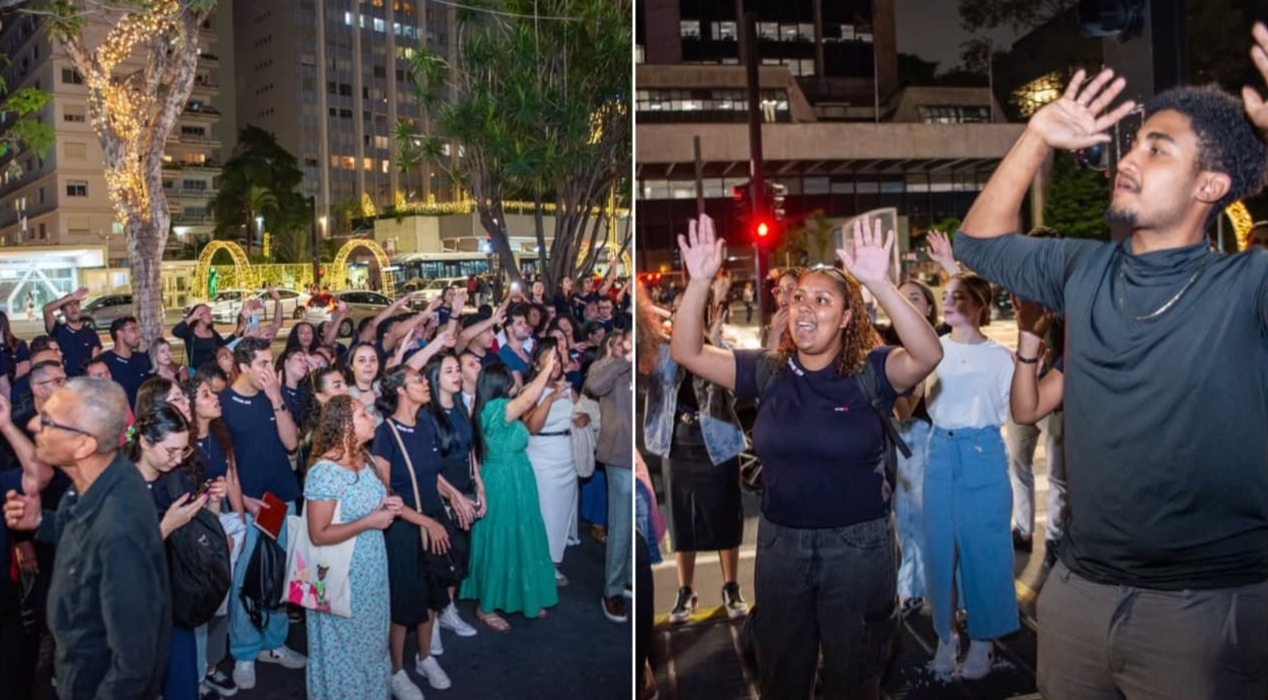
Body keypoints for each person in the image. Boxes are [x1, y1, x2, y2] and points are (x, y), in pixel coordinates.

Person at [952, 51, 1268, 698]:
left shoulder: (1247, 285)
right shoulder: (1082, 268)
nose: (1128, 158)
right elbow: (977, 243)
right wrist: (1036, 136)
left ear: (1209, 186)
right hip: (1077, 594)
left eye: (1157, 149)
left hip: (1204, 609)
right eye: (1134, 142)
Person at [671, 214, 942, 699]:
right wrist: (698, 282)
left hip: (858, 549)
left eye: (823, 300)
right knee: (782, 676)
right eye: (799, 297)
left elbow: (927, 355)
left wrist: (878, 283)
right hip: (781, 547)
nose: (806, 308)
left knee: (853, 679)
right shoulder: (768, 370)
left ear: (847, 317)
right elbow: (688, 352)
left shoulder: (872, 370)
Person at [3, 378, 171, 698]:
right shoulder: (90, 483)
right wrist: (39, 521)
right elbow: (81, 536)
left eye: (49, 421)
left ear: (84, 445)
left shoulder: (121, 528)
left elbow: (134, 664)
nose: (34, 424)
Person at [921, 272, 1017, 678]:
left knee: (986, 549)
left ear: (980, 305)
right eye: (945, 295)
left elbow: (1016, 407)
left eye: (959, 296)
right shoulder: (932, 348)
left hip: (983, 450)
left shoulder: (1000, 357)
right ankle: (946, 636)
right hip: (939, 449)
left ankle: (983, 640)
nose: (948, 302)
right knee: (940, 550)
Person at [644, 277, 748, 625]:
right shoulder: (661, 351)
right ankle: (685, 590)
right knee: (682, 520)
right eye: (677, 311)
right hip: (677, 443)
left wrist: (713, 341)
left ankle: (731, 586)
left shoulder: (720, 347)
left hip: (717, 443)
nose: (681, 316)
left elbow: (733, 388)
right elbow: (650, 378)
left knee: (725, 516)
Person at [219, 337, 305, 689]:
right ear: (243, 367)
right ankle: (244, 651)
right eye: (263, 364)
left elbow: (291, 443)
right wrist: (242, 503)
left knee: (280, 575)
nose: (270, 370)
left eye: (271, 362)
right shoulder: (223, 404)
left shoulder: (276, 396)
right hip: (250, 505)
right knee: (246, 579)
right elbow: (225, 465)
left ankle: (274, 642)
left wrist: (276, 398)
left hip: (281, 498)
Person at [127, 405, 226, 700]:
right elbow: (119, 557)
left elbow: (196, 537)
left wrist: (213, 502)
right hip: (135, 604)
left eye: (183, 451)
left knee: (182, 683)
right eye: (171, 451)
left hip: (176, 596)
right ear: (144, 441)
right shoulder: (121, 484)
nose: (178, 459)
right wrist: (165, 527)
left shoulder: (175, 477)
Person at [304, 396, 400, 700]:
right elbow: (318, 534)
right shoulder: (324, 471)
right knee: (344, 649)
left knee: (373, 642)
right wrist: (370, 521)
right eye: (363, 415)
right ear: (345, 425)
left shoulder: (364, 458)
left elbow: (369, 502)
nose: (372, 419)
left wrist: (388, 504)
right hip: (340, 574)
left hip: (371, 570)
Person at [372, 367, 455, 700]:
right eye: (418, 380)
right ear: (401, 391)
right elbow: (386, 495)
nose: (425, 383)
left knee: (433, 594)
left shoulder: (426, 424)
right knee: (404, 601)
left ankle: (424, 657)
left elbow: (433, 476)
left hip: (433, 518)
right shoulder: (385, 434)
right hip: (404, 527)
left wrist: (455, 496)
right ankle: (395, 670)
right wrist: (425, 522)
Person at [460, 359, 560, 631]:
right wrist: (547, 367)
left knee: (519, 539)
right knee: (501, 540)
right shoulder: (494, 409)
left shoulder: (497, 407)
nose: (515, 379)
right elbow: (527, 399)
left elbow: (526, 404)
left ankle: (523, 596)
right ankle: (486, 607)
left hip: (518, 479)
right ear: (500, 383)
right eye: (509, 377)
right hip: (502, 483)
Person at [422, 353, 482, 641]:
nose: (457, 375)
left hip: (465, 487)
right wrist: (455, 496)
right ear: (435, 378)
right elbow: (427, 468)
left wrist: (479, 487)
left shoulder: (460, 405)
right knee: (440, 561)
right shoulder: (426, 416)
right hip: (441, 494)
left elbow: (470, 451)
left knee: (459, 556)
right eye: (449, 371)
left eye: (458, 369)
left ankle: (448, 610)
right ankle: (431, 625)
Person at [522, 338, 581, 586]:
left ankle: (554, 561)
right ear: (537, 364)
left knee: (561, 514)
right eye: (548, 359)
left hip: (567, 456)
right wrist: (550, 398)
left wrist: (582, 418)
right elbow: (532, 427)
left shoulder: (569, 388)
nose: (554, 364)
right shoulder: (530, 391)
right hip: (541, 458)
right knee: (545, 512)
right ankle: (539, 564)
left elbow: (580, 414)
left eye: (557, 359)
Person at [586, 328, 634, 623]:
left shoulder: (640, 366)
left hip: (638, 457)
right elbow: (594, 385)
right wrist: (621, 360)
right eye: (619, 343)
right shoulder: (606, 368)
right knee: (620, 526)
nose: (625, 347)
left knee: (635, 523)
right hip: (619, 457)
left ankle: (628, 577)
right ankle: (612, 589)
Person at [42, 287, 101, 377]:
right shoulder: (57, 330)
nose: (73, 308)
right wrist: (72, 297)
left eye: (76, 304)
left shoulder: (91, 333)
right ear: (63, 311)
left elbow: (95, 362)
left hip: (85, 381)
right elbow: (46, 309)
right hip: (64, 381)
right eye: (69, 305)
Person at [101, 316, 153, 408]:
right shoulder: (103, 362)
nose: (138, 334)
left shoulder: (144, 359)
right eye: (133, 329)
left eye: (137, 329)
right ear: (120, 333)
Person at [172, 304, 227, 372]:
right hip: (198, 374)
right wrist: (192, 317)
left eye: (209, 312)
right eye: (205, 312)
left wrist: (237, 332)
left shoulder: (212, 332)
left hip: (214, 373)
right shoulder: (190, 332)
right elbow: (175, 331)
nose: (209, 315)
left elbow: (224, 345)